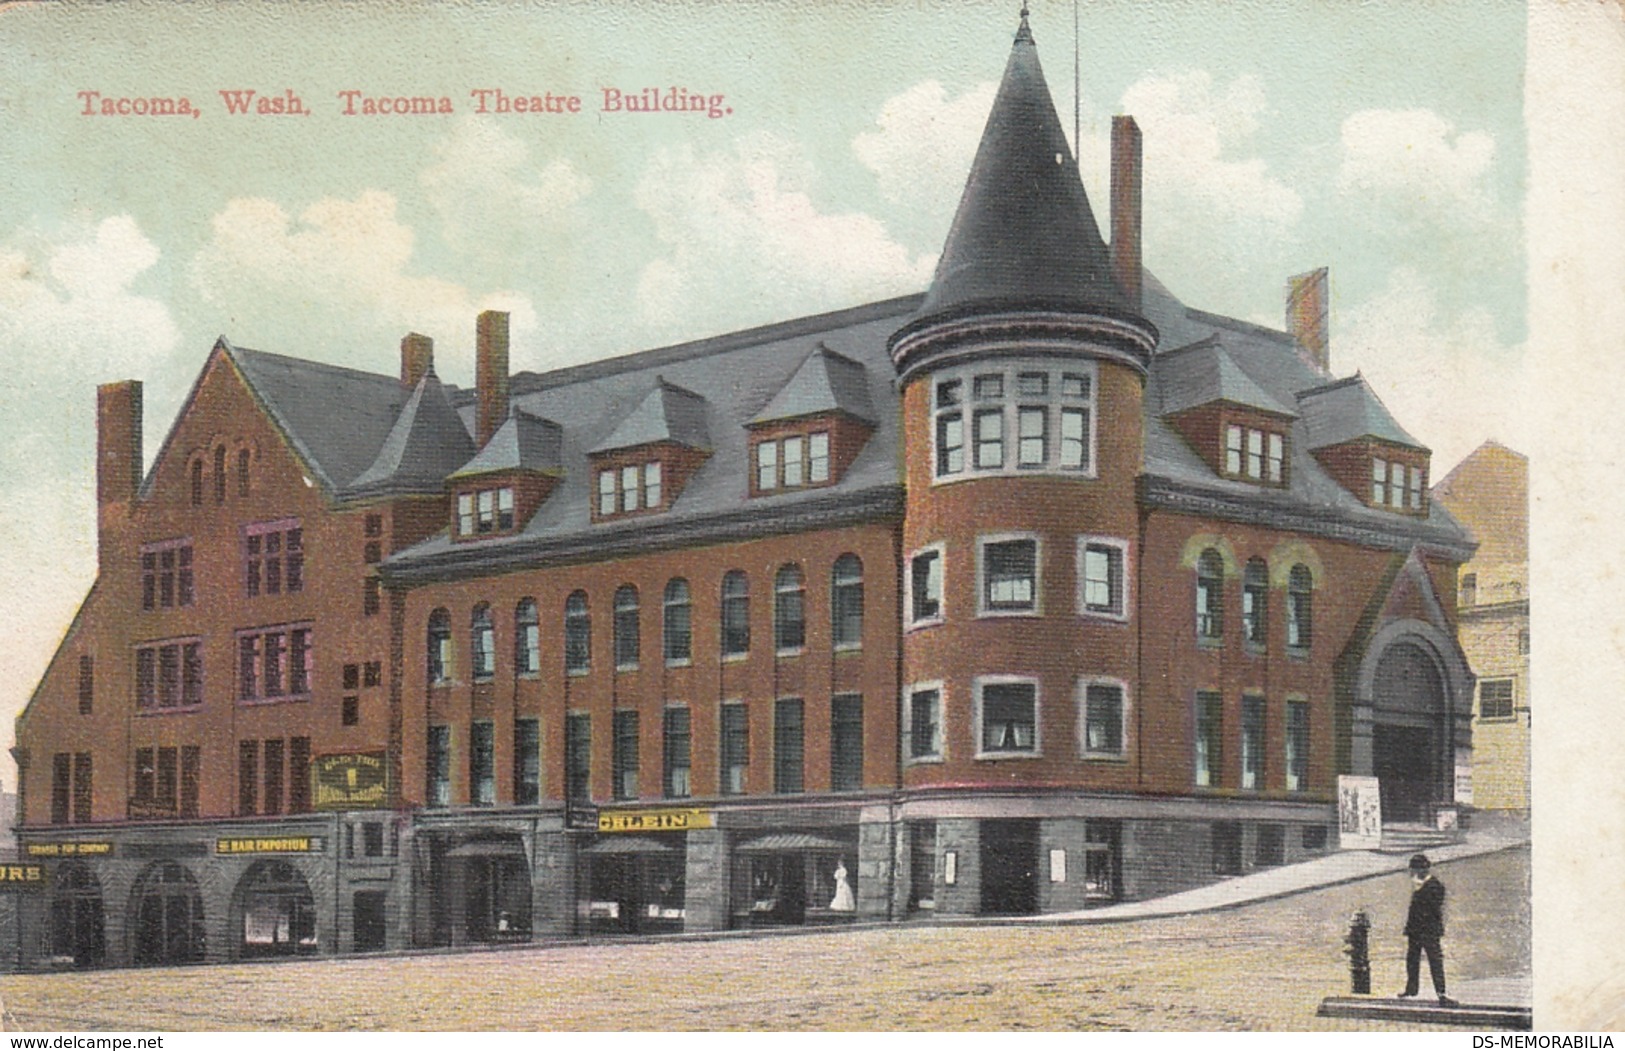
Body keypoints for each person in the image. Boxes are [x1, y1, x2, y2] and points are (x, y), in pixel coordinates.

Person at [1398, 854, 1458, 1006]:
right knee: (1412, 960)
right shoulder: (1418, 884)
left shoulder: (1435, 886)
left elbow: (1433, 911)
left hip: (1429, 931)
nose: (1412, 873)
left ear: (1422, 869)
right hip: (1415, 931)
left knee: (1435, 961)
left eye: (1414, 869)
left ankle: (1441, 993)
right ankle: (1411, 989)